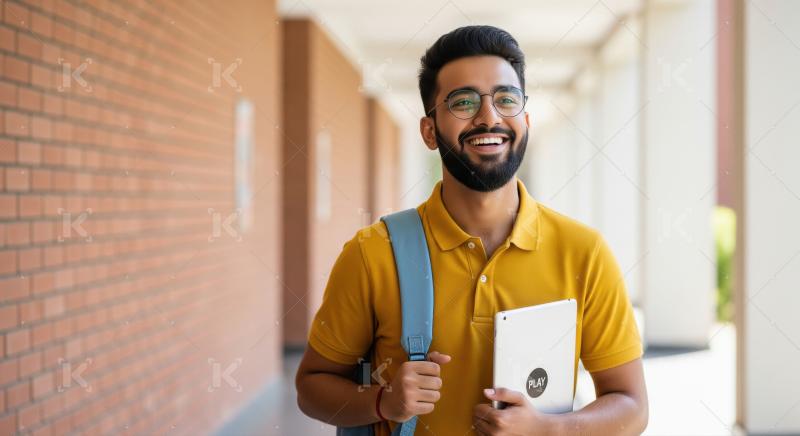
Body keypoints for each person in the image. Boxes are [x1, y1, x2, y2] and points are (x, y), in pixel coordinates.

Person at [296, 25, 648, 436]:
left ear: (526, 121)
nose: (489, 117)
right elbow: (311, 387)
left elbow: (631, 405)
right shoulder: (373, 252)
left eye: (506, 99)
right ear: (430, 131)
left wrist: (548, 430)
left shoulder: (583, 252)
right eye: (463, 101)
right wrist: (383, 400)